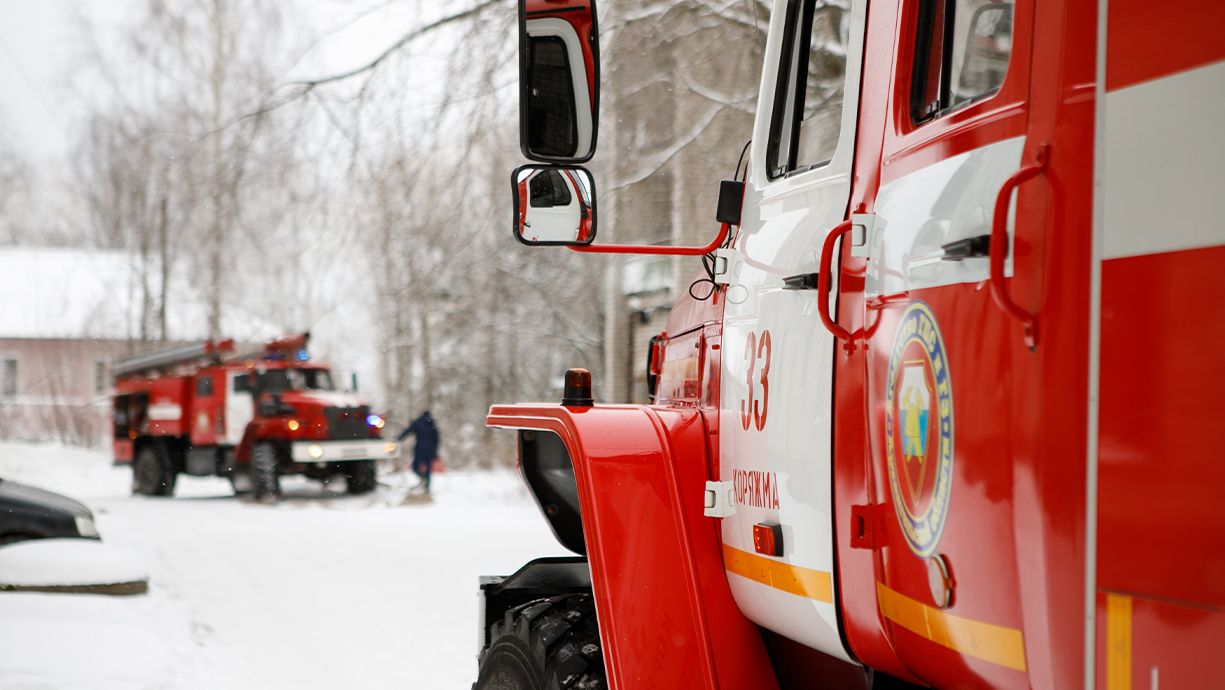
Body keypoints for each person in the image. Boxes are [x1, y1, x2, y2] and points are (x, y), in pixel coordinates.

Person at [397, 411, 439, 494]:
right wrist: (435, 452)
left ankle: (422, 479)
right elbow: (436, 440)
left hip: (420, 449)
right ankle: (426, 485)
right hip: (430, 450)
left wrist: (398, 439)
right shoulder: (433, 426)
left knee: (415, 466)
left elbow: (408, 431)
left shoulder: (418, 423)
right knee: (428, 468)